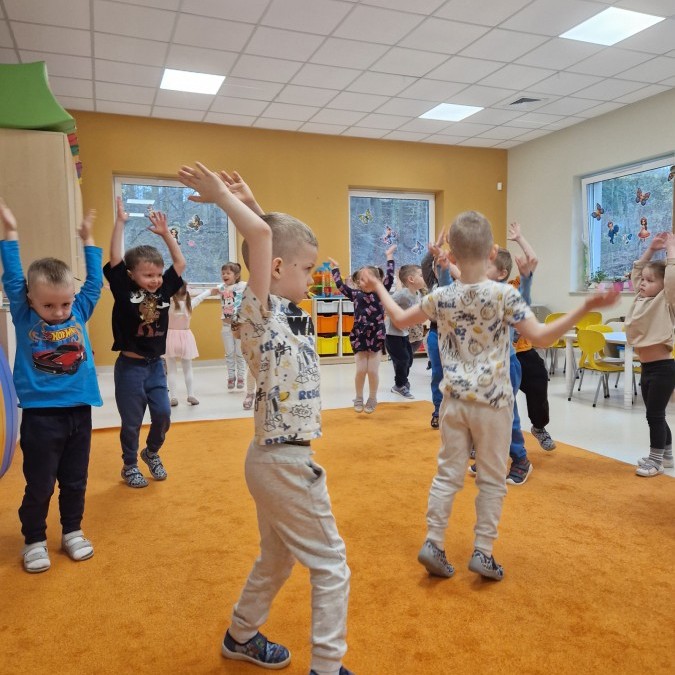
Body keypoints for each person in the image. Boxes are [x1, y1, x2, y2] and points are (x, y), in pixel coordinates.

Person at [363, 210, 618, 581]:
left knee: (447, 475)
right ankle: (483, 552)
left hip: (454, 402)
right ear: (493, 253)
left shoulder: (441, 296)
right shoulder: (504, 295)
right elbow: (542, 337)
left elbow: (400, 321)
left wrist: (378, 287)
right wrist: (586, 306)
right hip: (494, 403)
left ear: (451, 255)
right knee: (492, 480)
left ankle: (434, 542)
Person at [177, 163, 353, 675]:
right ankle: (327, 667)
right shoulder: (255, 313)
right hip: (284, 463)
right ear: (276, 268)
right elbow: (259, 239)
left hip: (274, 458)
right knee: (332, 565)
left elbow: (266, 237)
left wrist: (254, 204)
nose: (312, 277)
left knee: (277, 558)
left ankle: (241, 634)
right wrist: (223, 200)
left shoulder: (287, 307)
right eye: (307, 268)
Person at [0, 198, 102, 574]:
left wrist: (88, 240)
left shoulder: (79, 310)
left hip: (79, 412)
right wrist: (11, 231)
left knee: (75, 480)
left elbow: (95, 283)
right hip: (41, 417)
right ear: (30, 300)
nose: (59, 313)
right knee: (40, 484)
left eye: (64, 304)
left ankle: (72, 530)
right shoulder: (24, 312)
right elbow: (13, 276)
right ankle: (34, 539)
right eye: (49, 306)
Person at [104, 197, 185, 488]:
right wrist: (120, 223)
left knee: (163, 414)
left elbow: (180, 263)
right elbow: (115, 258)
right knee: (132, 421)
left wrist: (166, 234)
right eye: (147, 275)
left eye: (157, 274)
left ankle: (150, 452)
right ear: (131, 275)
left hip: (155, 367)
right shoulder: (123, 289)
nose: (155, 280)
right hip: (130, 367)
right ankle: (129, 465)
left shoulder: (163, 292)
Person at [625, 231, 675, 477]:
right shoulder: (640, 297)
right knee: (655, 414)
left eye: (650, 280)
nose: (643, 283)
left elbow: (672, 279)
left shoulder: (665, 300)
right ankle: (666, 454)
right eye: (642, 280)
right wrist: (652, 249)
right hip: (646, 367)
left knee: (654, 415)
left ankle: (656, 461)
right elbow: (637, 270)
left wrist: (670, 250)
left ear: (663, 285)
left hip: (663, 369)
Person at [507, 222, 557, 451]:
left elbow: (532, 260)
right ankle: (480, 439)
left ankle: (539, 426)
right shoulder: (481, 290)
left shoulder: (514, 287)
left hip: (523, 351)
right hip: (495, 355)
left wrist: (519, 238)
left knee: (538, 381)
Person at [328, 246, 396, 414]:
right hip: (359, 335)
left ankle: (372, 397)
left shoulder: (381, 292)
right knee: (360, 370)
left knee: (372, 371)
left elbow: (390, 277)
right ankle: (358, 397)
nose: (364, 282)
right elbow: (340, 285)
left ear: (377, 280)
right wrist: (335, 268)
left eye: (369, 279)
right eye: (361, 280)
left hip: (377, 334)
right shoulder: (355, 294)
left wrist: (389, 257)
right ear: (357, 282)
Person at [165, 282, 211, 406]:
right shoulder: (189, 305)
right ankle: (191, 395)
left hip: (170, 338)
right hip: (185, 338)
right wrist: (210, 291)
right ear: (186, 293)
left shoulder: (168, 304)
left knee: (171, 370)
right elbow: (200, 297)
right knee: (188, 368)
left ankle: (173, 397)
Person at [385, 263, 426, 399]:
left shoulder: (417, 294)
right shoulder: (403, 294)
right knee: (403, 359)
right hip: (392, 334)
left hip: (404, 333)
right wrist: (396, 317)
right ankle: (399, 385)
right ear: (411, 279)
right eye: (421, 275)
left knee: (408, 359)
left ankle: (403, 381)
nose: (424, 277)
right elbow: (387, 304)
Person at [215, 261, 248, 390]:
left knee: (240, 354)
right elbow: (208, 292)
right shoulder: (221, 288)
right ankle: (231, 377)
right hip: (226, 327)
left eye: (228, 273)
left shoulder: (242, 286)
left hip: (239, 326)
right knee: (229, 354)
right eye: (223, 273)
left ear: (236, 275)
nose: (225, 275)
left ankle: (241, 377)